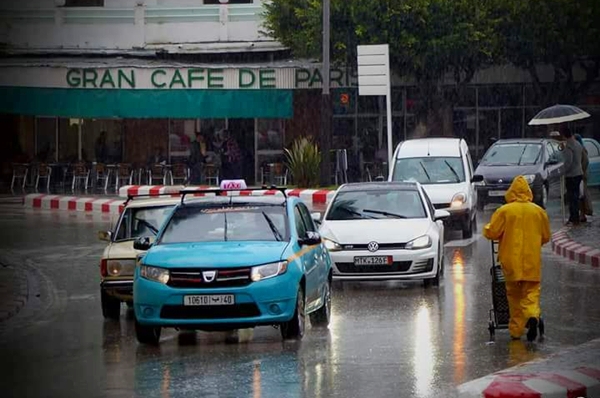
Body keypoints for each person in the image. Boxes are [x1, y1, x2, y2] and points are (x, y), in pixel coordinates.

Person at [483, 175, 551, 342]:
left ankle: (516, 331)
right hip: (531, 262)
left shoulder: (505, 211)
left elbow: (492, 232)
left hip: (510, 263)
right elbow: (546, 236)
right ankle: (532, 316)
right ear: (528, 191)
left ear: (511, 191)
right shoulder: (538, 212)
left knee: (514, 296)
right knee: (531, 293)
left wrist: (486, 228)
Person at [561, 127, 584, 225]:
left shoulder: (569, 146)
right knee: (576, 195)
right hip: (579, 173)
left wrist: (563, 171)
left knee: (572, 197)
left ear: (564, 135)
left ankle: (573, 217)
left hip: (571, 175)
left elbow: (568, 162)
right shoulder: (578, 144)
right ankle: (575, 216)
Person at [575, 134, 593, 221]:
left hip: (581, 176)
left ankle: (584, 213)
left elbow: (585, 161)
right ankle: (582, 213)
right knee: (580, 194)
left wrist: (581, 170)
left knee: (582, 195)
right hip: (578, 175)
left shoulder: (581, 149)